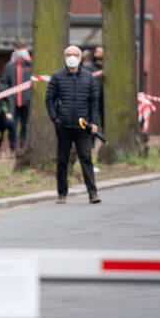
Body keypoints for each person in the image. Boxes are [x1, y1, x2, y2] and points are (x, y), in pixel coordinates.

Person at [45, 45, 101, 204]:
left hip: (83, 127)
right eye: (69, 54)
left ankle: (93, 193)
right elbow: (49, 99)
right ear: (64, 57)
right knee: (62, 161)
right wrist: (55, 118)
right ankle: (61, 194)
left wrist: (94, 122)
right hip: (63, 126)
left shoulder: (89, 77)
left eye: (75, 54)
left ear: (80, 57)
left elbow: (94, 101)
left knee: (86, 159)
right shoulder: (57, 77)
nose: (72, 57)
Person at [1, 40, 33, 149]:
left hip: (27, 101)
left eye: (24, 48)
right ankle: (13, 145)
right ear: (16, 50)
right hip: (13, 101)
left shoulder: (31, 65)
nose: (22, 51)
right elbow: (4, 83)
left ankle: (24, 144)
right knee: (12, 124)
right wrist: (9, 97)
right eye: (20, 49)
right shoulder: (9, 66)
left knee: (25, 124)